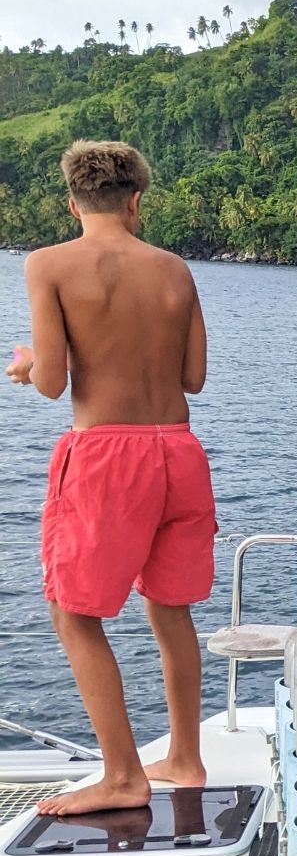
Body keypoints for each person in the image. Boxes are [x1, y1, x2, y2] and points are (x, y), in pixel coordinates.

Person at [6, 140, 216, 816]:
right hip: (178, 453)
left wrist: (28, 363)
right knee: (169, 606)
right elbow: (193, 378)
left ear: (73, 203)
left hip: (105, 456)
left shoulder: (50, 265)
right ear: (136, 202)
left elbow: (52, 383)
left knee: (72, 611)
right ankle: (184, 756)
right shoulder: (175, 270)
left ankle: (122, 774)